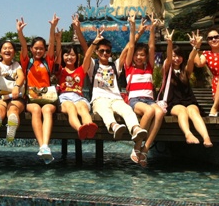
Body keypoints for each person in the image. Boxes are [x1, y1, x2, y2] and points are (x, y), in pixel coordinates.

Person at [83, 28, 147, 165]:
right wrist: (94, 43)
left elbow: (127, 48)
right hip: (99, 99)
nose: (105, 53)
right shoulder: (93, 65)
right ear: (97, 52)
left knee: (127, 110)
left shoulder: (115, 65)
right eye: (102, 51)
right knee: (104, 110)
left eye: (107, 51)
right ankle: (114, 126)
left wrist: (139, 33)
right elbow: (86, 57)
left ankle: (136, 129)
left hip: (116, 98)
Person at [124, 13, 165, 167]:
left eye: (142, 55)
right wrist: (133, 28)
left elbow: (152, 47)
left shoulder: (149, 68)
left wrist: (152, 29)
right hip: (135, 100)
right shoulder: (129, 67)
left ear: (146, 57)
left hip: (149, 100)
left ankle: (145, 149)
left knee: (159, 112)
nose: (139, 57)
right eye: (137, 55)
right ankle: (136, 147)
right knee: (150, 111)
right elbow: (131, 46)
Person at [17, 14, 58, 164]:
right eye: (36, 48)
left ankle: (45, 145)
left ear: (44, 50)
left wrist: (52, 28)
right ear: (31, 49)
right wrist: (20, 32)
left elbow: (52, 44)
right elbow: (23, 46)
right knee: (35, 110)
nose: (38, 51)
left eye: (41, 49)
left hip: (48, 99)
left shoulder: (48, 62)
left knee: (46, 110)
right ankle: (43, 146)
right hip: (31, 99)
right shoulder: (26, 62)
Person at [162, 29, 212, 147]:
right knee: (182, 111)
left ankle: (206, 137)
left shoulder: (185, 72)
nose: (176, 58)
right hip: (173, 102)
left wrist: (196, 47)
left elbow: (190, 60)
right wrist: (169, 43)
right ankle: (188, 134)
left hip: (188, 100)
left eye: (179, 56)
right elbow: (168, 58)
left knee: (194, 111)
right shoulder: (166, 70)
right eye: (174, 56)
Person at [54, 15, 98, 140]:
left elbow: (87, 55)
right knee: (71, 108)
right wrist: (58, 41)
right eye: (66, 55)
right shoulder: (60, 70)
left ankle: (89, 126)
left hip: (79, 97)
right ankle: (80, 129)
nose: (69, 57)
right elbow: (57, 57)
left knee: (83, 108)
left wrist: (92, 41)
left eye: (72, 55)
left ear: (76, 57)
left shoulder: (81, 70)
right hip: (64, 97)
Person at [0, 38, 26, 142]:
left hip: (15, 96)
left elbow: (21, 76)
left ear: (14, 52)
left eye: (10, 48)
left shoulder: (16, 65)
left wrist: (16, 87)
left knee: (13, 110)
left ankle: (11, 127)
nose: (7, 50)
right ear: (0, 52)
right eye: (4, 48)